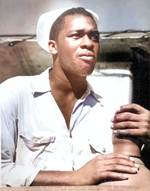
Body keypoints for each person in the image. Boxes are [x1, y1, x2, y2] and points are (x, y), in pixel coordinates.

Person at [1, 7, 150, 187]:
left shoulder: (110, 106)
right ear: (52, 46)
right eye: (76, 35)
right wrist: (76, 177)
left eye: (94, 36)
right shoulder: (14, 93)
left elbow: (129, 169)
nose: (88, 43)